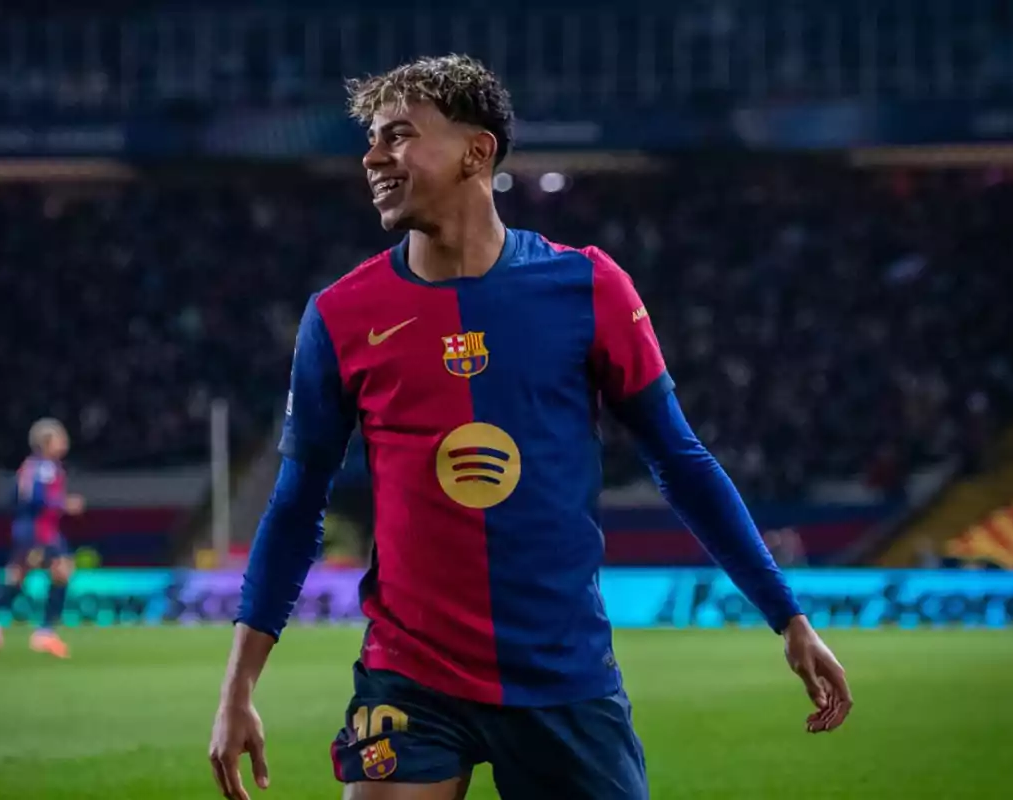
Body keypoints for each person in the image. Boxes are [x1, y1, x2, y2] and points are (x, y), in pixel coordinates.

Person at [210, 55, 853, 800]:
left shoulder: (587, 288)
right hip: (410, 676)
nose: (374, 157)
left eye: (399, 136)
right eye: (373, 140)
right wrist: (238, 686)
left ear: (476, 152)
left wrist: (788, 617)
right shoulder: (340, 315)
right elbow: (296, 504)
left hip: (561, 674)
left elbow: (680, 460)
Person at [0, 418, 84, 658]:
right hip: (40, 532)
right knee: (60, 570)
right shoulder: (45, 468)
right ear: (46, 442)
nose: (65, 442)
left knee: (19, 578)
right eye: (60, 438)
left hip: (32, 530)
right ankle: (43, 632)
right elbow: (35, 498)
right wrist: (63, 503)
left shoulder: (31, 466)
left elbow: (14, 496)